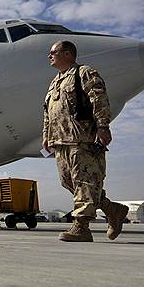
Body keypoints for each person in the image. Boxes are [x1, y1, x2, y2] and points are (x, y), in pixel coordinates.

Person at [43, 40, 128, 242]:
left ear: (68, 54)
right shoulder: (55, 81)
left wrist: (103, 126)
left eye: (53, 52)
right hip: (60, 141)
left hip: (82, 138)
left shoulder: (84, 73)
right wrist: (46, 136)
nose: (50, 56)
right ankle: (111, 209)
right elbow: (48, 112)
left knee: (85, 181)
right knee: (68, 182)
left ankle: (81, 227)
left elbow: (99, 99)